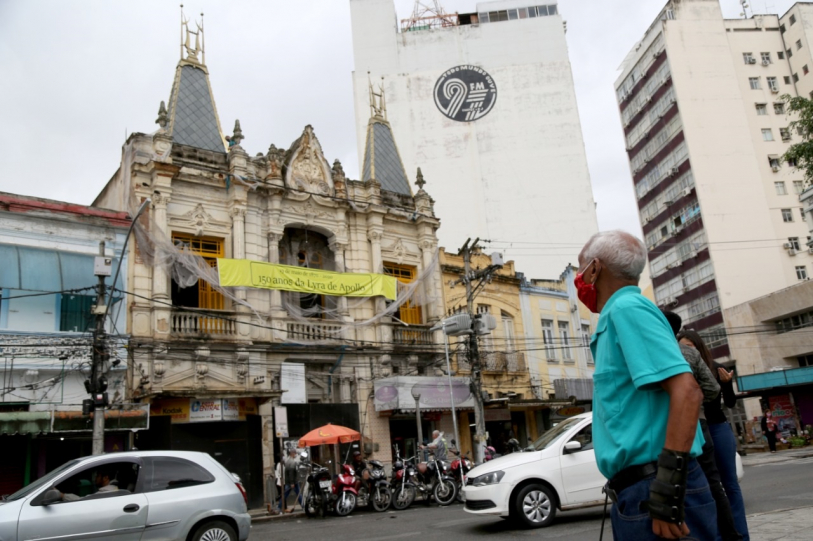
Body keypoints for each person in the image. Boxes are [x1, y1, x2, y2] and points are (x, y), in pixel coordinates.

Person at [577, 230, 716, 541]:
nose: (578, 279)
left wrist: (667, 489)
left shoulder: (627, 309)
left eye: (580, 269)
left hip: (654, 490)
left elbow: (687, 391)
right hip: (641, 489)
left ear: (595, 268)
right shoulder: (619, 314)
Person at [664, 314, 742, 541]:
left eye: (690, 345)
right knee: (710, 482)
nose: (686, 348)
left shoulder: (654, 351)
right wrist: (694, 403)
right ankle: (728, 535)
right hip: (700, 424)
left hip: (688, 426)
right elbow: (711, 389)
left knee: (702, 483)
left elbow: (725, 397)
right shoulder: (690, 356)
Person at [679, 329, 751, 541]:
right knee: (707, 485)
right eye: (681, 346)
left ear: (698, 347)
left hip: (717, 427)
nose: (685, 351)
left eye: (689, 346)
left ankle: (741, 534)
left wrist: (726, 384)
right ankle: (717, 534)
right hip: (696, 428)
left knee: (729, 484)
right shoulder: (680, 368)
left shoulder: (715, 367)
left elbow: (730, 403)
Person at [278, 448, 302, 513]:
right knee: (298, 494)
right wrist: (292, 483)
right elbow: (291, 473)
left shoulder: (288, 461)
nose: (296, 454)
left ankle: (279, 507)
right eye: (295, 453)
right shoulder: (292, 462)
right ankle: (303, 506)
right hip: (293, 482)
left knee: (285, 495)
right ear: (292, 453)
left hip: (289, 481)